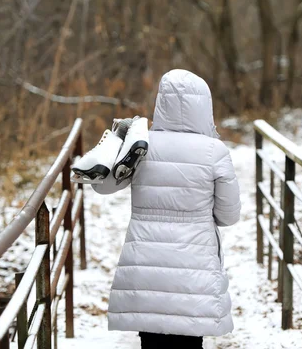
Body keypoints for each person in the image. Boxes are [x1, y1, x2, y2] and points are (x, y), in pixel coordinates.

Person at [92, 69, 241, 348]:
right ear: (204, 106)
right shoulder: (214, 151)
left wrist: (117, 142)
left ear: (161, 103)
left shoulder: (142, 145)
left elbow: (103, 186)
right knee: (189, 339)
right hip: (193, 269)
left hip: (146, 263)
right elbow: (229, 215)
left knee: (151, 337)